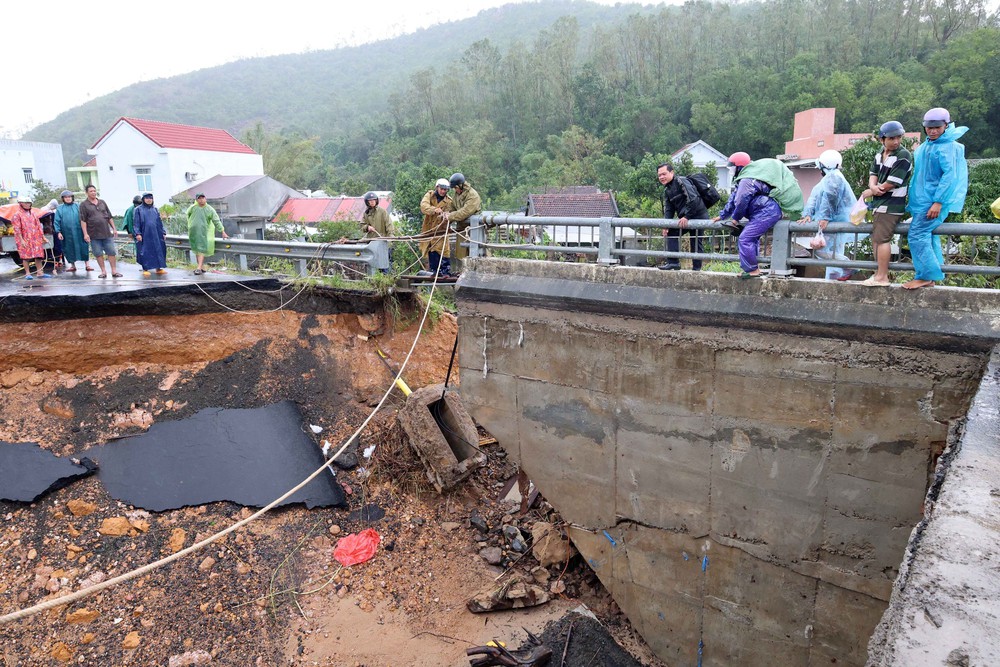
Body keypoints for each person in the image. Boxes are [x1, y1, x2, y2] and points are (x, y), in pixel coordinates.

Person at [902, 107, 969, 290]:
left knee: (917, 235)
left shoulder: (947, 146)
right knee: (928, 236)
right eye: (929, 127)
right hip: (923, 201)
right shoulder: (930, 145)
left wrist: (938, 201)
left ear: (946, 125)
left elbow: (950, 176)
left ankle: (926, 276)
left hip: (934, 202)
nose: (932, 130)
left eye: (937, 127)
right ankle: (931, 276)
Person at [713, 152, 805, 279]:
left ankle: (752, 270)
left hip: (766, 212)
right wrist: (723, 215)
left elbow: (741, 201)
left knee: (745, 239)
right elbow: (734, 198)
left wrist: (735, 219)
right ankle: (754, 268)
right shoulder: (749, 177)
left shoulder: (747, 180)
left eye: (732, 168)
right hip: (765, 211)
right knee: (751, 239)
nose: (731, 171)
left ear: (739, 167)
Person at [858, 121, 913, 286]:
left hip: (892, 204)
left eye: (898, 137)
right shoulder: (880, 153)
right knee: (877, 239)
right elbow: (873, 173)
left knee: (882, 240)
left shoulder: (903, 155)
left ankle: (882, 276)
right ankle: (877, 275)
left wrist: (872, 191)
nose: (896, 141)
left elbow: (891, 183)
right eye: (891, 138)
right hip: (879, 204)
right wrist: (873, 187)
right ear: (882, 139)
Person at [798, 150, 861, 281]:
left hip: (833, 221)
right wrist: (808, 214)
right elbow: (815, 197)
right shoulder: (829, 178)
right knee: (833, 251)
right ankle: (835, 276)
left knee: (821, 250)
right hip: (834, 221)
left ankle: (847, 266)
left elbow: (831, 198)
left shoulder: (834, 178)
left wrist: (825, 217)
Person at [656, 162, 708, 271]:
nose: (661, 177)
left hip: (698, 216)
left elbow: (693, 199)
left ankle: (696, 269)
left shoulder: (681, 181)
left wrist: (687, 216)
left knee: (696, 242)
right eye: (659, 175)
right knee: (671, 232)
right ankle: (673, 263)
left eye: (664, 174)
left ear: (672, 172)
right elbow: (669, 209)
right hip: (685, 218)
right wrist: (666, 225)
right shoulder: (667, 190)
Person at [79, 184, 121, 278]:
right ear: (86, 193)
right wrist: (85, 234)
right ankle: (103, 271)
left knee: (111, 252)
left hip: (106, 233)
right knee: (98, 253)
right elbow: (83, 220)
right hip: (94, 234)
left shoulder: (102, 202)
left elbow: (109, 216)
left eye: (94, 191)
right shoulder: (84, 205)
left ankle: (114, 271)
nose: (93, 192)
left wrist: (114, 228)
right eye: (91, 191)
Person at [443, 173, 481, 273]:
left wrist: (450, 216)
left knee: (477, 253)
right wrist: (445, 216)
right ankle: (462, 273)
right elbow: (453, 207)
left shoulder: (473, 196)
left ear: (461, 185)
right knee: (461, 254)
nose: (455, 190)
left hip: (474, 229)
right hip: (462, 229)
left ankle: (477, 273)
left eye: (455, 188)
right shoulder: (457, 195)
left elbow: (465, 212)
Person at [417, 178, 454, 277]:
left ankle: (444, 271)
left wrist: (447, 215)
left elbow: (453, 212)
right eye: (441, 189)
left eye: (445, 190)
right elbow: (424, 207)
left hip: (441, 229)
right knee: (430, 249)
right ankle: (434, 271)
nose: (443, 191)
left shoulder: (449, 201)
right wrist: (434, 210)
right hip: (429, 228)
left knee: (443, 250)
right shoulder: (429, 195)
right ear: (437, 188)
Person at [186, 193, 228, 275]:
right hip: (194, 232)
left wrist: (222, 231)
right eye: (199, 198)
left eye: (203, 198)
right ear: (197, 200)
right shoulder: (193, 208)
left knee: (201, 248)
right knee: (197, 249)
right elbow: (188, 216)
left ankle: (198, 268)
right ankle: (201, 267)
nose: (201, 200)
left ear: (205, 199)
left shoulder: (209, 209)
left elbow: (216, 221)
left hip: (204, 232)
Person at [10, 196, 49, 280]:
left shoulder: (34, 213)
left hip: (36, 237)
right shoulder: (17, 215)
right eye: (26, 203)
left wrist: (43, 237)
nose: (28, 205)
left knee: (38, 255)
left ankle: (40, 272)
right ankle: (27, 273)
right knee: (25, 256)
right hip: (24, 238)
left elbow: (38, 226)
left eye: (29, 203)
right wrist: (21, 240)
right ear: (21, 204)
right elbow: (17, 229)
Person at [54, 190, 92, 272]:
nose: (68, 199)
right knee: (68, 248)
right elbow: (56, 221)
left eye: (69, 197)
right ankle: (72, 265)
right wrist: (58, 232)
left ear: (72, 197)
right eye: (66, 197)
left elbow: (84, 218)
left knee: (84, 247)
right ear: (63, 199)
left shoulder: (78, 206)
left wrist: (87, 231)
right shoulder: (60, 209)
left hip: (80, 231)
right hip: (66, 233)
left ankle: (87, 265)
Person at [134, 193, 167, 276]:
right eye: (147, 198)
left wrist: (163, 232)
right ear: (143, 199)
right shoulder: (138, 209)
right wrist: (138, 233)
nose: (149, 200)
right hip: (145, 234)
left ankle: (159, 268)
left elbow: (159, 222)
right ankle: (145, 268)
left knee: (158, 250)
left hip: (157, 234)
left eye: (150, 198)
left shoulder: (155, 209)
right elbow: (136, 223)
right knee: (145, 251)